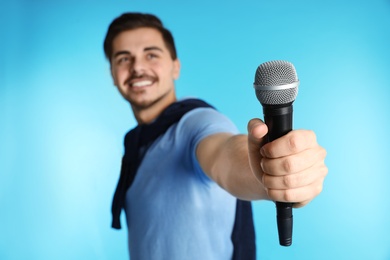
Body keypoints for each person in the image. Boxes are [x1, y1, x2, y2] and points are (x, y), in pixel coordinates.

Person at [103, 12, 328, 260]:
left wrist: (267, 175)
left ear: (175, 66)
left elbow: (226, 156)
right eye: (124, 59)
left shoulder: (198, 123)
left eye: (151, 55)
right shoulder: (137, 145)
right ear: (113, 74)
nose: (138, 67)